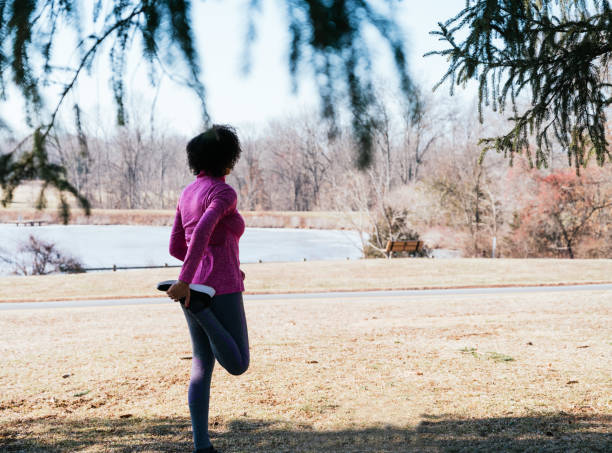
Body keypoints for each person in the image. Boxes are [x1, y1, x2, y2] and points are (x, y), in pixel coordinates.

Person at [166, 125, 249, 453]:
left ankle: (202, 445)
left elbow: (177, 244)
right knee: (238, 364)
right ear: (229, 158)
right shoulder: (223, 193)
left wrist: (190, 277)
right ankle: (200, 308)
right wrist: (189, 282)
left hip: (194, 286)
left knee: (201, 362)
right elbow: (202, 231)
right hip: (218, 287)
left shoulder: (188, 193)